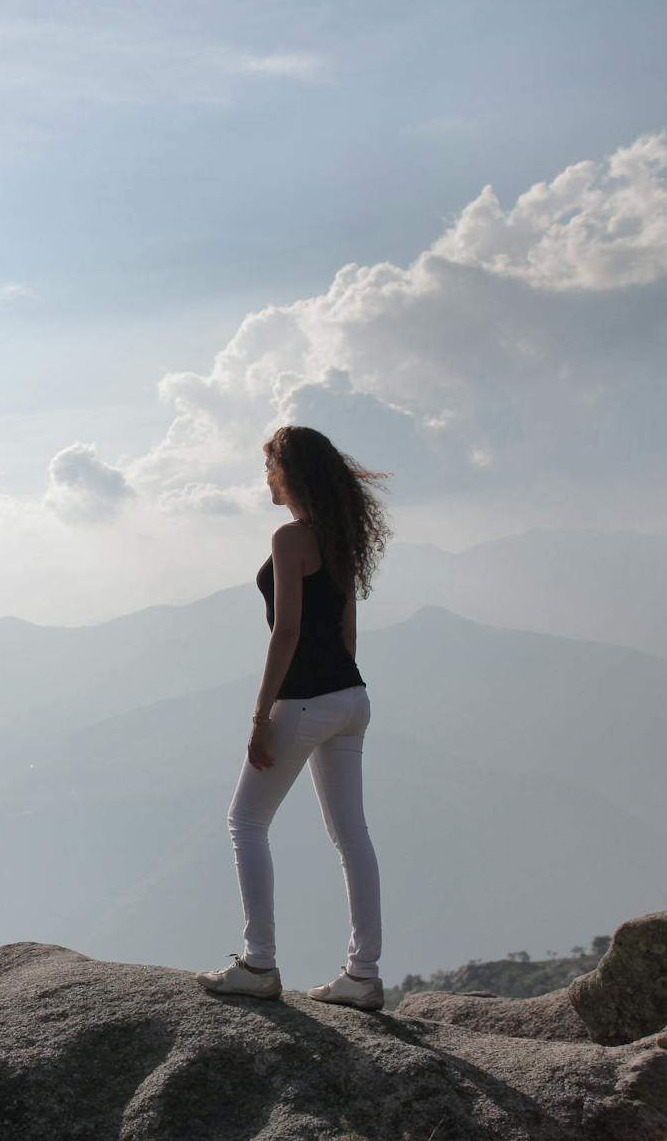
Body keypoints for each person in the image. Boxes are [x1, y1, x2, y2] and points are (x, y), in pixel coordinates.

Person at [195, 425, 393, 1011]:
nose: (266, 480)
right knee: (351, 835)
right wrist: (337, 692)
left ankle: (258, 963)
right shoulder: (342, 537)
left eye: (269, 468)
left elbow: (287, 632)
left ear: (291, 474)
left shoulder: (289, 539)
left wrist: (261, 717)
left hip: (304, 701)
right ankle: (363, 975)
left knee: (245, 822)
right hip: (350, 700)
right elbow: (346, 632)